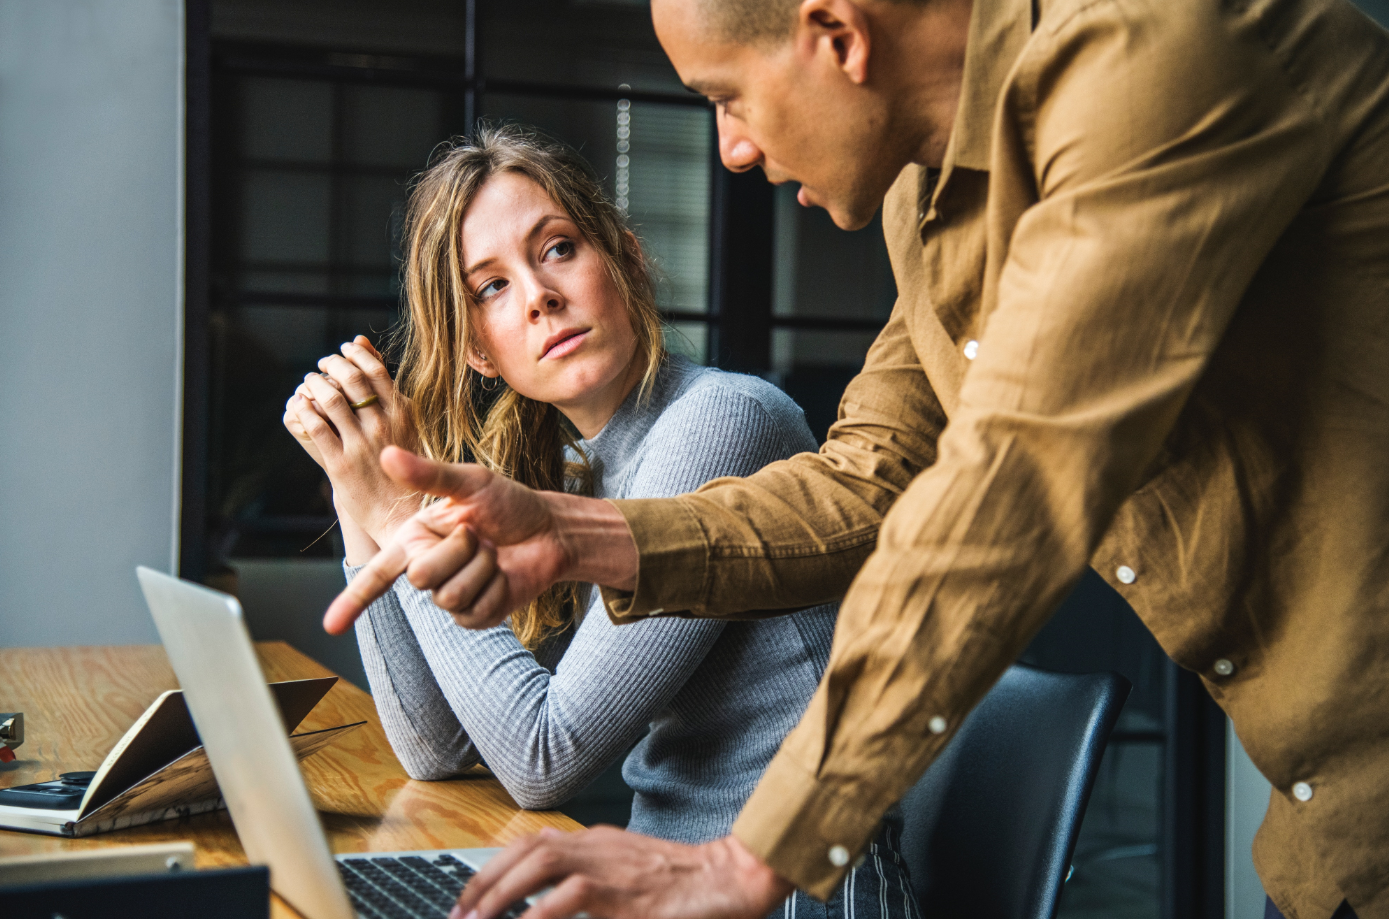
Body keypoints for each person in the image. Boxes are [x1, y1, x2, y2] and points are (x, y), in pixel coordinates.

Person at [328, 0, 1389, 916]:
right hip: (1326, 832)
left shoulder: (1152, 62)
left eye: (725, 96)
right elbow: (864, 483)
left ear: (835, 34)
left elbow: (1011, 485)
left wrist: (757, 856)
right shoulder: (924, 206)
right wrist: (568, 533)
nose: (733, 149)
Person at [285, 125, 920, 919]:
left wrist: (402, 515)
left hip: (795, 897)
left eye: (556, 249)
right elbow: (436, 748)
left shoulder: (721, 420)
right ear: (480, 351)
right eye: (491, 288)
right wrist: (357, 490)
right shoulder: (576, 468)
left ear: (625, 257)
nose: (538, 296)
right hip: (664, 890)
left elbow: (541, 757)